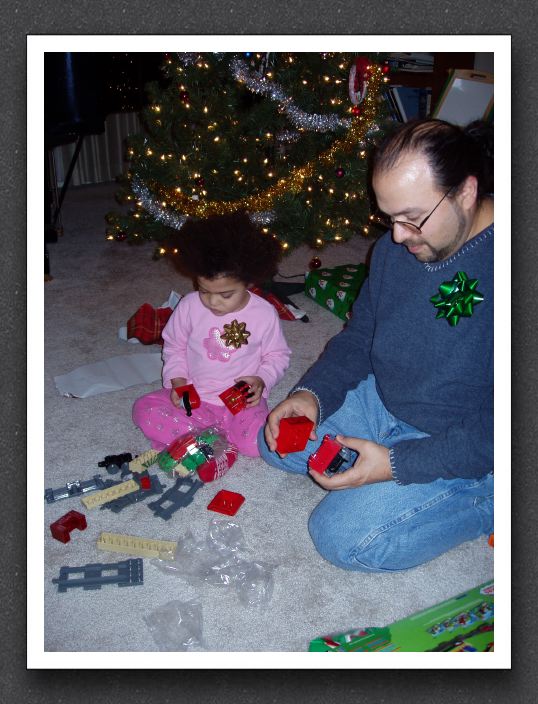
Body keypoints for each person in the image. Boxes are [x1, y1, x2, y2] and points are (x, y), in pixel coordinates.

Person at [259, 118, 494, 572]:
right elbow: (362, 337)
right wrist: (311, 395)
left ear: (466, 191)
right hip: (385, 401)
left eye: (412, 218)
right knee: (276, 442)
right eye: (389, 218)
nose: (398, 236)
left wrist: (397, 463)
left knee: (342, 538)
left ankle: (489, 498)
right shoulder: (395, 249)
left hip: (468, 439)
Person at [133, 211, 291, 473]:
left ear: (249, 283)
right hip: (195, 400)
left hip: (240, 404)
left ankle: (204, 440)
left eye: (226, 294)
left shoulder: (263, 313)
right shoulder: (189, 306)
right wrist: (178, 380)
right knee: (143, 409)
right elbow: (174, 347)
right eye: (204, 291)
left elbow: (278, 355)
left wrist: (262, 379)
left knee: (258, 444)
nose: (213, 302)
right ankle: (214, 439)